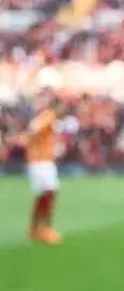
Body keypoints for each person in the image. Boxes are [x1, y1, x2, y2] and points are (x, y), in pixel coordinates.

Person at [25, 94, 63, 245]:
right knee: (50, 193)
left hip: (38, 160)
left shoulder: (45, 116)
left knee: (42, 195)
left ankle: (34, 229)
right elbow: (34, 129)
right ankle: (47, 229)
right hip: (42, 161)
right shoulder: (49, 116)